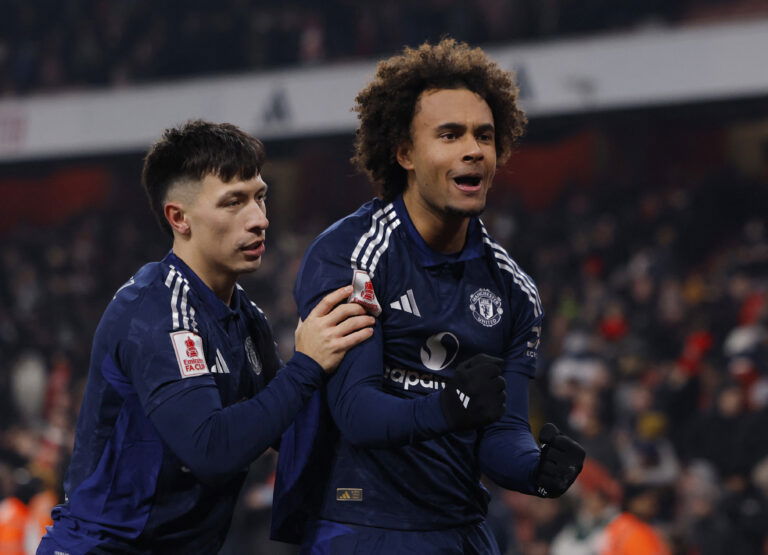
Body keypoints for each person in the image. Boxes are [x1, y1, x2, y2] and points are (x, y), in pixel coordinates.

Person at [272, 39, 585, 553]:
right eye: (449, 134)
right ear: (404, 153)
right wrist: (446, 407)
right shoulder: (353, 255)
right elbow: (355, 409)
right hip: (363, 526)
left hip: (463, 529)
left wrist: (536, 470)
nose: (473, 149)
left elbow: (500, 432)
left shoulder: (515, 291)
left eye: (484, 135)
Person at [37, 120, 375, 554]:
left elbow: (287, 428)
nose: (259, 220)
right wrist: (307, 364)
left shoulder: (244, 315)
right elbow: (210, 449)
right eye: (233, 203)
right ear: (179, 218)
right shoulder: (155, 311)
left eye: (260, 197)